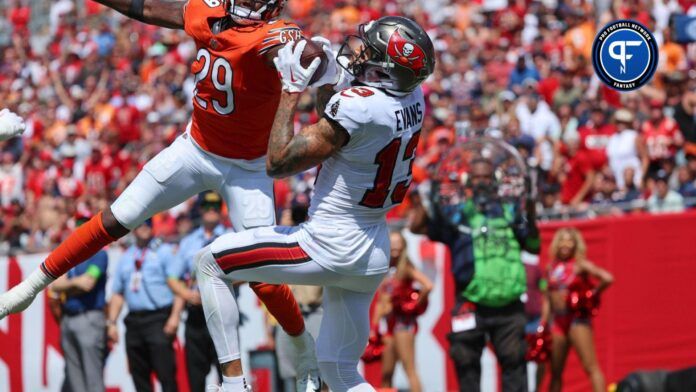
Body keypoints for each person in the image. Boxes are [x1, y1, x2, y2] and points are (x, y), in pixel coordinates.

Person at [0, 1, 328, 388]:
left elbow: (310, 56)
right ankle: (29, 288)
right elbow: (150, 7)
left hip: (248, 167)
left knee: (263, 277)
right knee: (116, 217)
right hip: (196, 148)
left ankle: (304, 348)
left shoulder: (273, 34)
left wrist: (310, 54)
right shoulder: (208, 12)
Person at [194, 16, 435, 392]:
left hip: (329, 244)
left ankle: (233, 383)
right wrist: (331, 82)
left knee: (211, 263)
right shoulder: (413, 98)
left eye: (369, 53)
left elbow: (278, 162)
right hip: (372, 249)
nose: (359, 54)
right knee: (340, 372)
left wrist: (290, 91)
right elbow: (341, 125)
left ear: (387, 71)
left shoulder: (362, 108)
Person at [410, 157, 540, 392]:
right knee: (466, 364)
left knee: (515, 365)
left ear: (496, 181)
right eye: (478, 177)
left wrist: (530, 205)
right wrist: (425, 198)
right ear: (468, 180)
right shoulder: (457, 215)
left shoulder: (510, 212)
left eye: (487, 177)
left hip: (509, 307)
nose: (482, 182)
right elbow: (416, 227)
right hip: (470, 304)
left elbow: (533, 245)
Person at [106, 220, 184, 392]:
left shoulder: (164, 252)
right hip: (133, 322)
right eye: (140, 223)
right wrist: (112, 323)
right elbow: (118, 293)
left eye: (147, 223)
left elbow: (179, 286)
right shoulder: (126, 257)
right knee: (138, 375)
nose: (143, 227)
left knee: (166, 374)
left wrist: (175, 316)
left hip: (158, 318)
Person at [167, 191, 227, 392]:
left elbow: (245, 275)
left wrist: (219, 286)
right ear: (200, 210)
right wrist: (187, 295)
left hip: (221, 312)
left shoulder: (230, 238)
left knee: (228, 375)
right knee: (195, 376)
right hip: (196, 314)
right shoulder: (189, 242)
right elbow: (173, 277)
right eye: (207, 207)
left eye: (216, 206)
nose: (212, 211)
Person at [542, 228, 614, 392]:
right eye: (562, 240)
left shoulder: (580, 264)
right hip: (557, 322)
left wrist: (590, 295)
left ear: (575, 244)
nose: (565, 244)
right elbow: (547, 298)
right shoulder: (551, 267)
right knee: (555, 371)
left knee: (591, 366)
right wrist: (544, 323)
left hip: (576, 319)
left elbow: (608, 278)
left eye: (569, 240)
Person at [49, 213, 109, 392]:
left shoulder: (99, 255)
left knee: (93, 378)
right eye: (78, 225)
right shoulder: (72, 256)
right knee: (74, 379)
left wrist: (66, 286)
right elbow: (54, 286)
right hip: (69, 319)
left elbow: (88, 283)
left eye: (85, 224)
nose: (80, 229)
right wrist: (74, 283)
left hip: (89, 316)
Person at [372, 231, 432, 392]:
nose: (395, 246)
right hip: (389, 327)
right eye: (392, 242)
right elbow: (381, 300)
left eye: (398, 242)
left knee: (409, 368)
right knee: (386, 373)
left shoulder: (406, 267)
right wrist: (375, 326)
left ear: (404, 245)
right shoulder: (386, 269)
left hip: (403, 325)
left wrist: (412, 305)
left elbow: (428, 285)